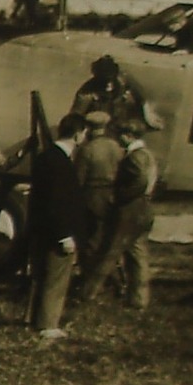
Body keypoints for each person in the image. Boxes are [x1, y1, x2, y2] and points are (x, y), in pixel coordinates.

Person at [76, 118, 160, 309]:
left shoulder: (135, 157)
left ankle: (87, 294)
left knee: (108, 253)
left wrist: (120, 196)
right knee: (138, 255)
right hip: (145, 210)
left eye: (120, 135)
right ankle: (139, 299)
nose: (118, 139)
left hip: (130, 211)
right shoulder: (148, 155)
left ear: (129, 136)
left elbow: (139, 180)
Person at [28, 113, 91, 339]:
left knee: (42, 276)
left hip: (42, 228)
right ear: (77, 134)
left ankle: (34, 318)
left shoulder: (46, 157)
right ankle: (48, 324)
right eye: (84, 133)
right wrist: (65, 235)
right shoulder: (61, 163)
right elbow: (58, 202)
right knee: (56, 279)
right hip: (58, 231)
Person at [74, 110, 126, 284]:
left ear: (88, 128)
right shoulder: (116, 147)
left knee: (89, 240)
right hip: (112, 196)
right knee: (107, 238)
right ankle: (111, 278)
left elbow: (78, 179)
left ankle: (88, 280)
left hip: (92, 196)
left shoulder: (87, 150)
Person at [71, 55, 157, 131]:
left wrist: (149, 116)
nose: (108, 84)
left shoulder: (124, 78)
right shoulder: (86, 93)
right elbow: (74, 118)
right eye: (103, 81)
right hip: (100, 127)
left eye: (111, 79)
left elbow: (142, 98)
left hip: (121, 121)